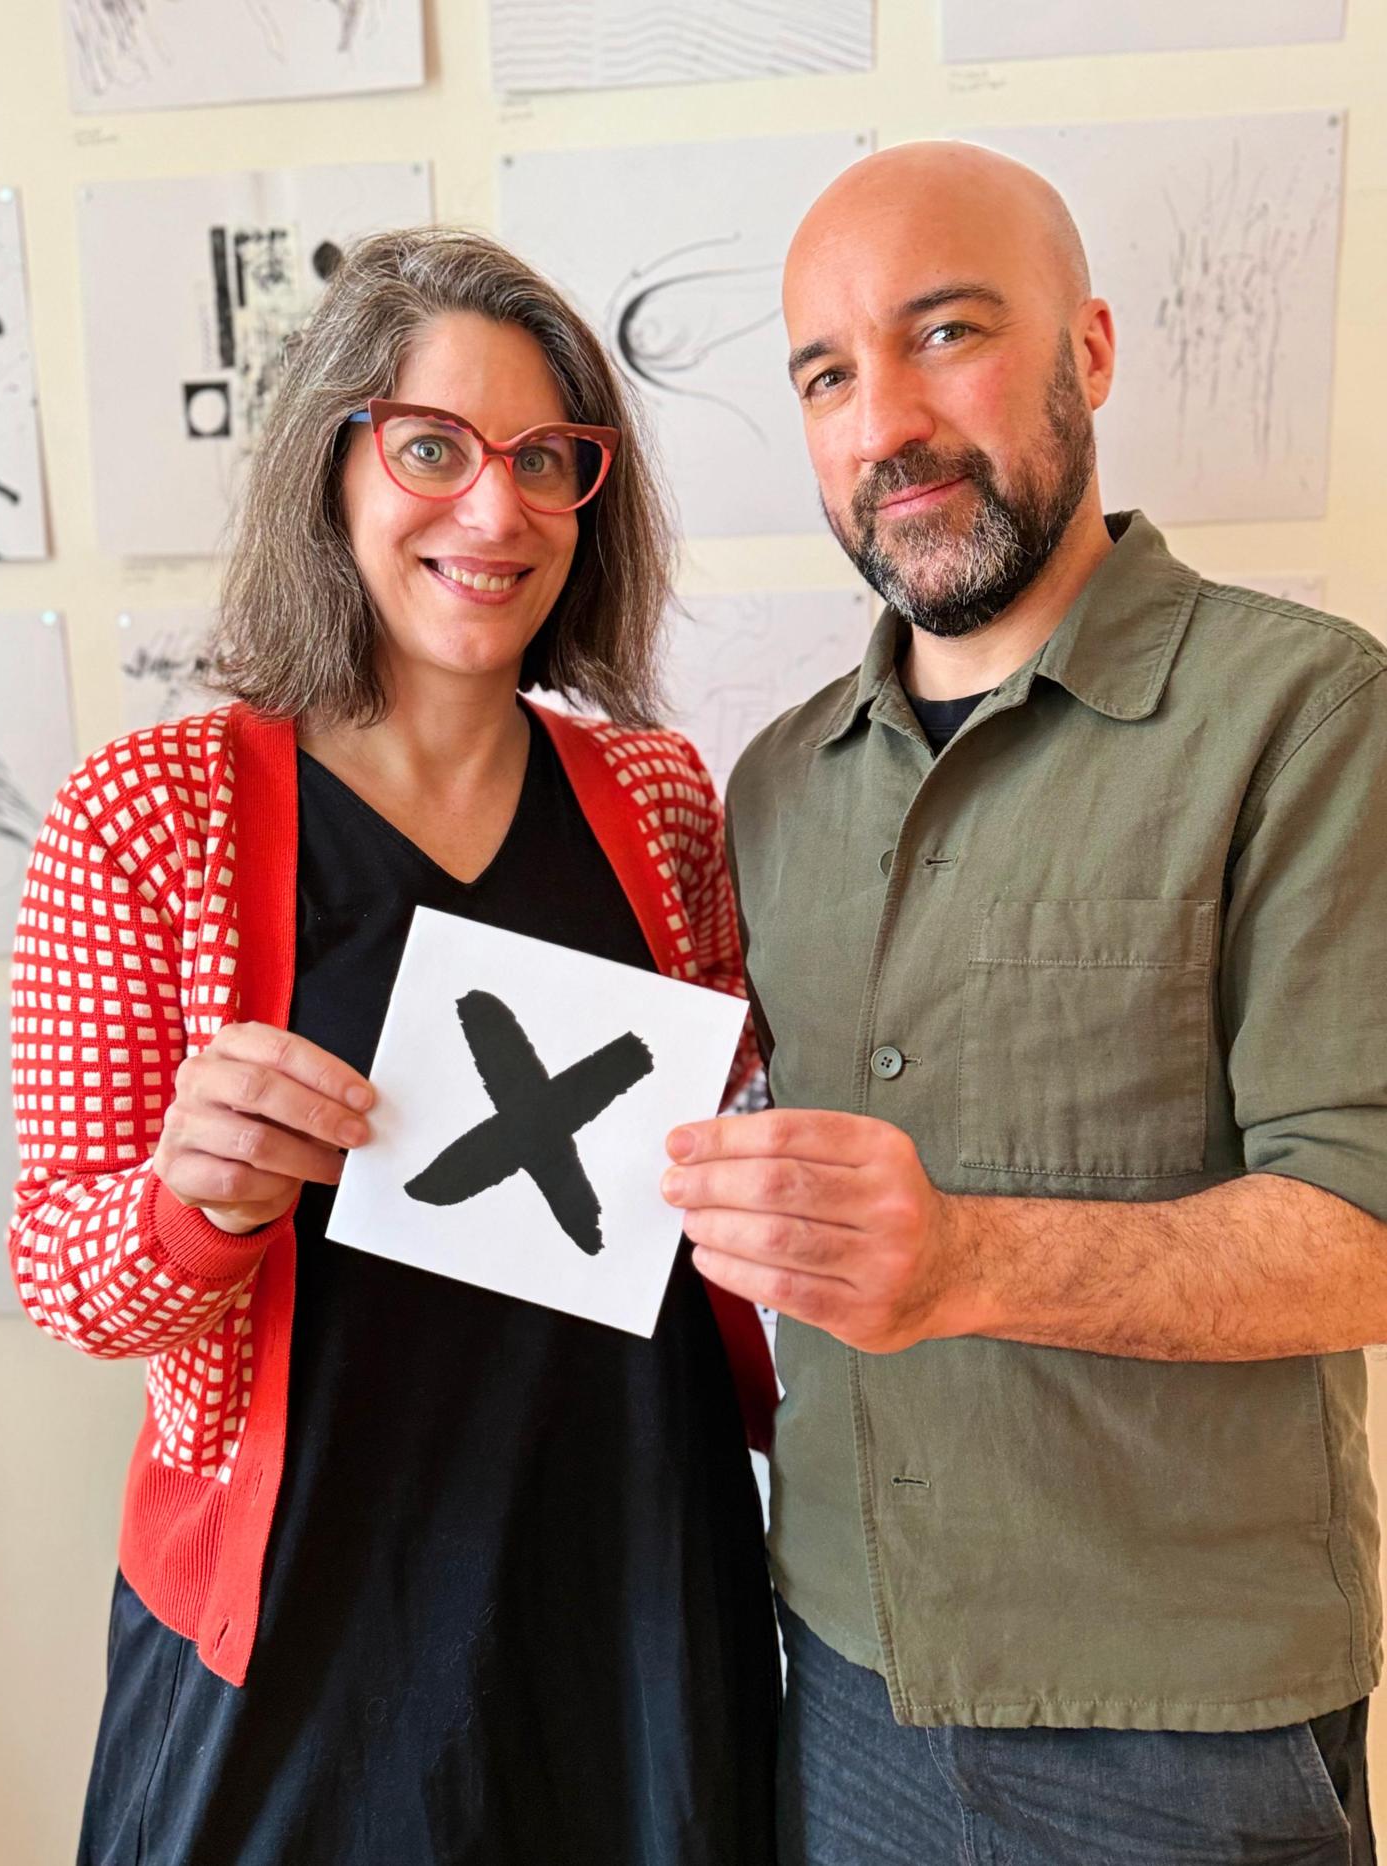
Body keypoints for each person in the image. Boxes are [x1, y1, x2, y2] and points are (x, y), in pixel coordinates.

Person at [10, 227, 780, 1865]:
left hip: (629, 1586)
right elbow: (62, 1277)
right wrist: (189, 1198)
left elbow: (720, 1175)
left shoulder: (659, 799)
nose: (495, 512)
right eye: (434, 447)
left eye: (547, 460)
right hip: (308, 1625)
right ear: (334, 460)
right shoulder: (150, 813)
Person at [660, 141, 1385, 1862]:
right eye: (828, 375)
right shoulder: (770, 788)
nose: (886, 422)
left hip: (1186, 1738)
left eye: (948, 333)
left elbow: (1366, 1229)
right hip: (841, 1678)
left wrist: (964, 1258)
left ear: (1093, 351)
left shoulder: (1309, 716)